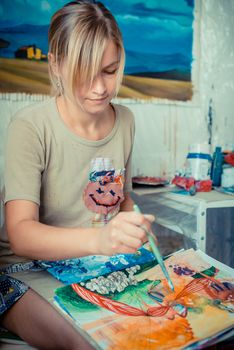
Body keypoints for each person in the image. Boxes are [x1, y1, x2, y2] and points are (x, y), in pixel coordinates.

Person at [0, 1, 154, 349]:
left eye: (110, 71)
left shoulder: (125, 120)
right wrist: (100, 241)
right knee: (85, 343)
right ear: (55, 64)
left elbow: (123, 200)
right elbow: (20, 235)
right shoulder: (30, 125)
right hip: (22, 271)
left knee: (162, 318)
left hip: (96, 262)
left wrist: (133, 224)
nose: (99, 88)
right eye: (84, 75)